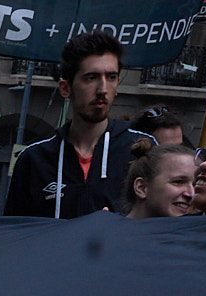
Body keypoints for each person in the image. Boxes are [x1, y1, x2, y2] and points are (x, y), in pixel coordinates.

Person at [9, 33, 155, 217]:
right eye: (91, 78)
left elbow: (161, 224)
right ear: (66, 88)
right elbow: (14, 230)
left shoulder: (142, 150)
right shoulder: (34, 160)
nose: (103, 89)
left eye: (111, 77)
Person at [122, 141, 199, 218]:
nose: (191, 194)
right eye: (178, 182)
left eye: (196, 184)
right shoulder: (115, 225)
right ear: (142, 188)